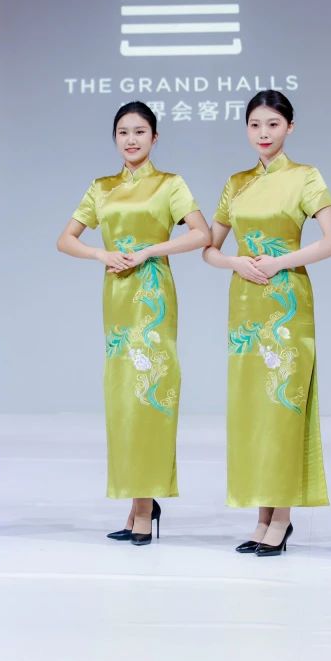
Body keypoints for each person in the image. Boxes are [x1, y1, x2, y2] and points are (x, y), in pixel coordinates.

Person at [56, 101, 210, 546]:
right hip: (117, 296)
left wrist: (149, 251)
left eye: (140, 131)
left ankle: (144, 506)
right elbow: (65, 239)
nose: (131, 139)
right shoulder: (101, 188)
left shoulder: (170, 184)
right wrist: (100, 253)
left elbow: (201, 233)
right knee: (124, 397)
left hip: (153, 294)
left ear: (154, 138)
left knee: (151, 392)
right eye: (123, 132)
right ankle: (139, 502)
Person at [202, 91, 331, 556]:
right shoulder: (236, 183)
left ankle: (280, 518)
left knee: (283, 403)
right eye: (255, 125)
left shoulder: (306, 177)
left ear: (290, 127)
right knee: (253, 409)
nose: (263, 133)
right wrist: (235, 263)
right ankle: (261, 515)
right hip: (246, 302)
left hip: (287, 300)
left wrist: (282, 262)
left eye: (273, 124)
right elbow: (209, 249)